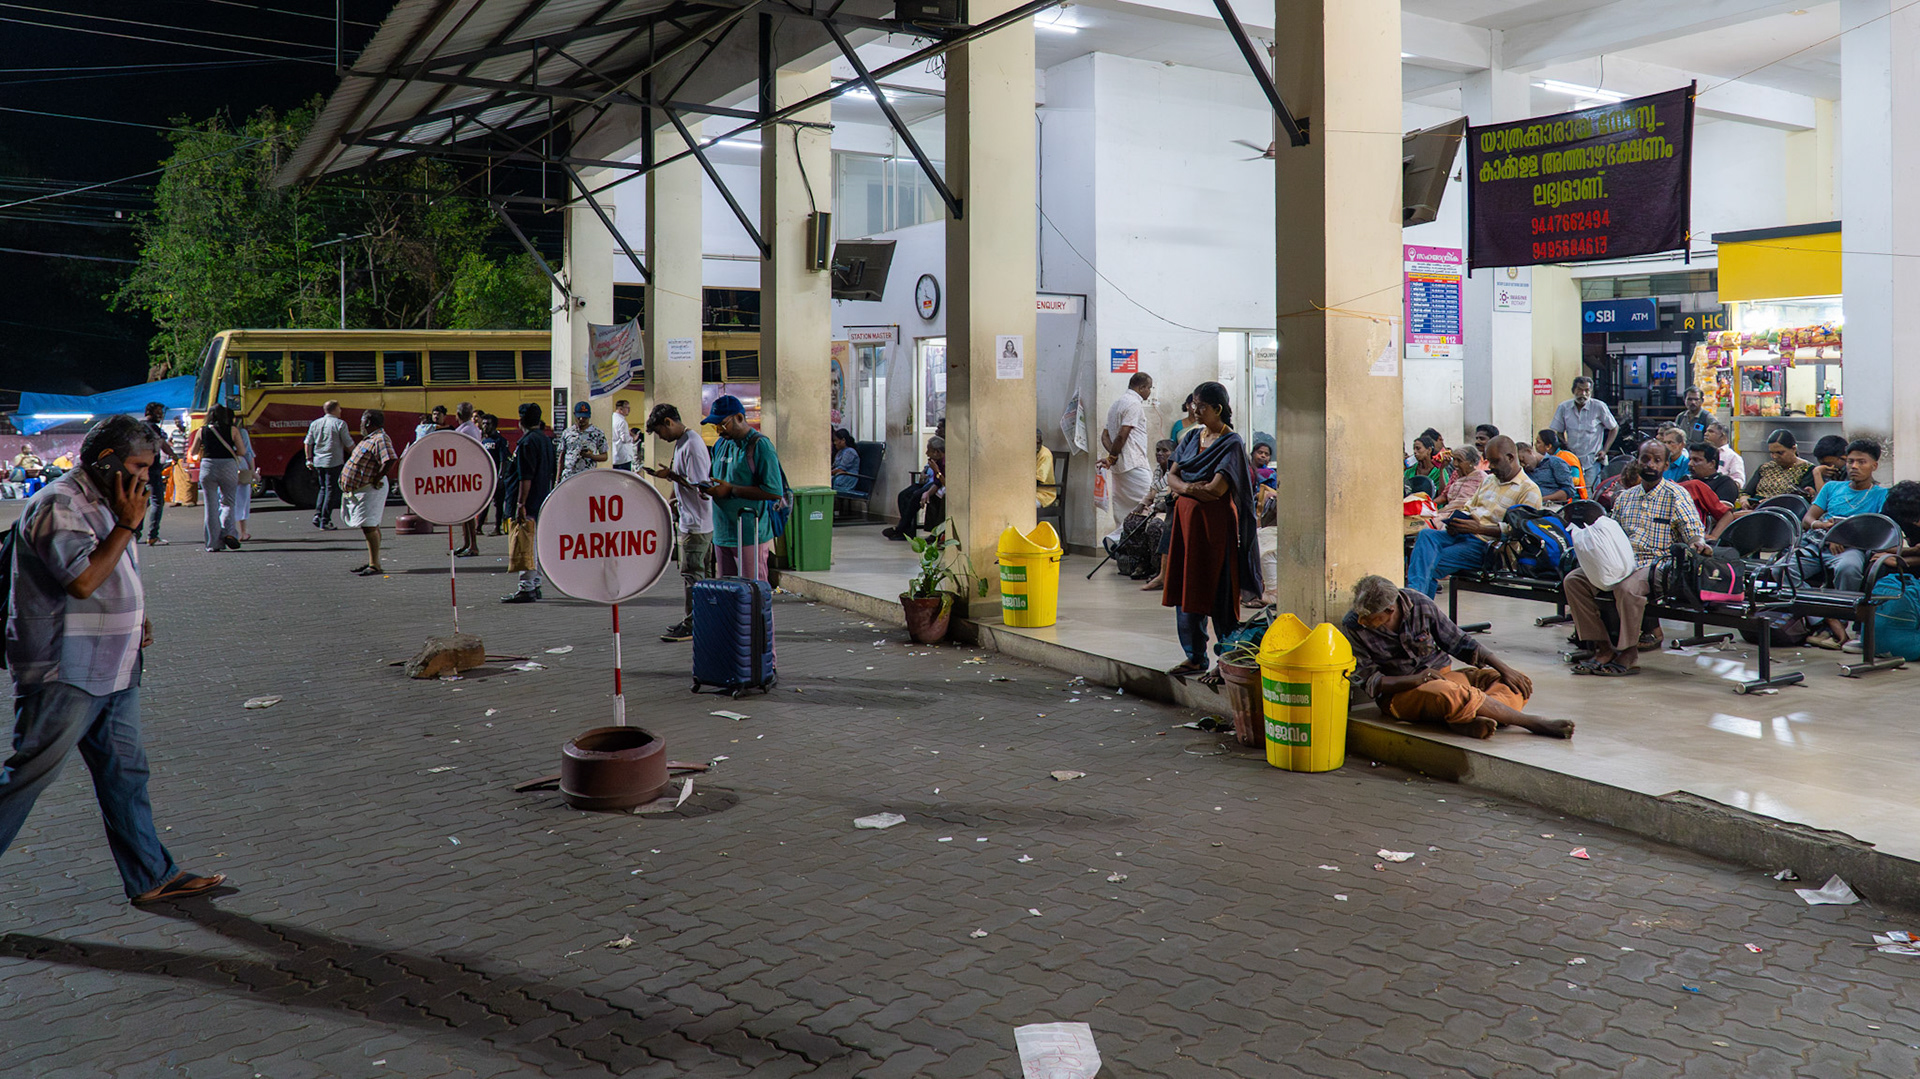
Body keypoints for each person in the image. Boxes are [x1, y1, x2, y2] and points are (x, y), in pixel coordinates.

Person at [0, 415, 227, 904]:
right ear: (106, 461)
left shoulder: (108, 499)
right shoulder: (60, 503)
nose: (147, 476)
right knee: (27, 777)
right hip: (67, 669)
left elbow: (113, 567)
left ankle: (151, 875)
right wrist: (128, 525)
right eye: (139, 466)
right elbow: (82, 580)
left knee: (125, 774)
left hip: (116, 664)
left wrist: (137, 614)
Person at [1344, 575, 1573, 740]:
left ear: (1389, 610)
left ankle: (1462, 718)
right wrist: (1417, 680)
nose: (1362, 621)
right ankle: (1530, 722)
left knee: (1514, 682)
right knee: (1447, 693)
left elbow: (1459, 641)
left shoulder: (1419, 603)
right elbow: (1371, 681)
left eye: (1368, 617)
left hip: (1446, 678)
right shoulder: (1354, 626)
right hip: (1404, 694)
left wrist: (1505, 669)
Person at [1564, 440, 1708, 676]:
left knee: (1627, 588)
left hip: (1657, 564)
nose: (1650, 464)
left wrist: (1698, 543)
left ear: (1666, 465)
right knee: (1574, 581)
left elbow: (1693, 531)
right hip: (1622, 561)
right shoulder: (1625, 497)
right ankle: (1601, 646)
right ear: (1637, 461)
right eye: (1645, 459)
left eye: (1657, 460)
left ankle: (1628, 651)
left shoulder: (1676, 495)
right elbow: (1611, 532)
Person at [1162, 381, 1261, 678]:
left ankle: (1226, 658)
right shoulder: (1193, 437)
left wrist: (1184, 488)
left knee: (1219, 590)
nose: (1195, 410)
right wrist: (1190, 488)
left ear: (1217, 409)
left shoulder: (1231, 443)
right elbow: (1172, 476)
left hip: (1214, 528)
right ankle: (1194, 656)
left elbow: (1216, 490)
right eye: (1194, 404)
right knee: (1187, 588)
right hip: (1186, 527)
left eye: (1201, 406)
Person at [1405, 436, 1543, 598]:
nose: (1491, 466)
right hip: (1465, 534)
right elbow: (1468, 507)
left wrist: (1480, 528)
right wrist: (1457, 522)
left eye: (1495, 461)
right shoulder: (1490, 480)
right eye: (1489, 461)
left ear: (1510, 458)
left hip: (1489, 546)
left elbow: (1522, 532)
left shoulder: (1528, 490)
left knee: (1429, 561)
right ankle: (1418, 602)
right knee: (1426, 535)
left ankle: (1415, 603)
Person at [1793, 438, 1889, 649]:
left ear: (1874, 466)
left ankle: (1843, 621)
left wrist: (1842, 536)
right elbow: (1808, 519)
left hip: (1852, 548)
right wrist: (1822, 526)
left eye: (1861, 462)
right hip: (1819, 543)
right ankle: (1826, 620)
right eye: (1850, 461)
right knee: (1781, 570)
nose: (1854, 466)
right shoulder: (1832, 488)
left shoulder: (1881, 495)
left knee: (1849, 568)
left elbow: (1878, 530)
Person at [644, 403, 714, 643]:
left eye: (659, 431)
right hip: (690, 519)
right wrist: (671, 498)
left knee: (693, 576)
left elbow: (701, 487)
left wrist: (672, 476)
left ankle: (694, 624)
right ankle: (698, 621)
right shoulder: (683, 442)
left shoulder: (692, 444)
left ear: (669, 422)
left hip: (697, 523)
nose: (660, 437)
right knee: (696, 575)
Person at [704, 394, 786, 581]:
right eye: (715, 426)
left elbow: (774, 491)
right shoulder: (720, 445)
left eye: (722, 424)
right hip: (722, 532)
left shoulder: (760, 446)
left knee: (752, 591)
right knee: (728, 592)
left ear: (739, 418)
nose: (718, 431)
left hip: (749, 533)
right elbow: (717, 478)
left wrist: (731, 490)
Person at [502, 403, 557, 603]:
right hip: (542, 498)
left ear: (522, 420)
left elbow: (525, 477)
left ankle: (526, 587)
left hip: (529, 501)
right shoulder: (545, 440)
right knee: (536, 544)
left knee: (525, 544)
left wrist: (520, 504)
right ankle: (536, 584)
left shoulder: (526, 443)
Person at [338, 409, 399, 577]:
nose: (360, 425)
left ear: (368, 422)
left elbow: (391, 458)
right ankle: (374, 561)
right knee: (370, 526)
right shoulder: (371, 439)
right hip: (362, 489)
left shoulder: (380, 438)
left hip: (369, 489)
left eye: (361, 422)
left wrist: (377, 477)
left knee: (369, 526)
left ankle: (375, 564)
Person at [1101, 373, 1154, 550]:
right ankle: (1115, 540)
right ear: (1141, 388)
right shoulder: (1133, 404)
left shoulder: (1116, 404)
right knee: (1150, 501)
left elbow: (1105, 436)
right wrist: (1113, 457)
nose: (1150, 391)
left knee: (1125, 509)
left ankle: (1125, 548)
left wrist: (1113, 457)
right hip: (1134, 464)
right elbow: (1122, 435)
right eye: (1149, 388)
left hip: (1120, 467)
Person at [187, 404, 243, 553]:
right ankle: (229, 533)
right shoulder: (233, 430)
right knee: (228, 502)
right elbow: (242, 451)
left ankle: (213, 543)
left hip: (208, 467)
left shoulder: (202, 430)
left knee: (210, 506)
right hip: (228, 466)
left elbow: (193, 451)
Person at [1548, 376, 1619, 471]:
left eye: (1587, 390)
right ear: (1573, 390)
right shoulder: (1564, 407)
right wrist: (1565, 447)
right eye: (1580, 390)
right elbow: (1559, 431)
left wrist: (1604, 450)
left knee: (1590, 481)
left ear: (1591, 392)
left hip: (1592, 460)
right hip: (1571, 460)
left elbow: (1614, 428)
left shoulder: (1599, 407)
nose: (1583, 394)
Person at [886, 437, 947, 540]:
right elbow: (937, 482)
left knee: (917, 496)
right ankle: (906, 530)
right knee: (903, 495)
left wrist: (936, 471)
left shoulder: (946, 462)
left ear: (936, 452)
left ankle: (902, 528)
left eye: (928, 450)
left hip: (943, 488)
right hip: (930, 484)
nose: (926, 453)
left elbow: (944, 483)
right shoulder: (936, 461)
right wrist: (927, 491)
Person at [304, 400, 352, 530]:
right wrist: (357, 454)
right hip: (333, 461)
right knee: (331, 489)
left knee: (323, 488)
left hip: (318, 461)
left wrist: (309, 459)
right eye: (339, 408)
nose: (341, 411)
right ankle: (325, 520)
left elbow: (308, 442)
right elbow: (348, 443)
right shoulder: (340, 424)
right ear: (334, 409)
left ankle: (318, 515)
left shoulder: (315, 423)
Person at [1740, 428, 1817, 506]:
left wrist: (1771, 502)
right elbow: (1746, 493)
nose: (1774, 456)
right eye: (1772, 453)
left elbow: (1800, 500)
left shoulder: (1807, 469)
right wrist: (1744, 500)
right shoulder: (1765, 468)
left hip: (1782, 509)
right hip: (1756, 507)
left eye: (1779, 453)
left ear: (1793, 449)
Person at [140, 402, 175, 546]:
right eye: (158, 412)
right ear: (150, 412)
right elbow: (163, 445)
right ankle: (153, 535)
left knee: (143, 502)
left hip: (139, 469)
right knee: (157, 501)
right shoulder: (153, 428)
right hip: (153, 469)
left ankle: (135, 533)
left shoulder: (138, 427)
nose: (160, 415)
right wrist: (174, 455)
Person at [558, 401, 608, 482]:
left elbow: (604, 456)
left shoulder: (597, 433)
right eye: (579, 417)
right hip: (569, 476)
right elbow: (562, 456)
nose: (581, 420)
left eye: (584, 418)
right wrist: (558, 479)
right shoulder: (567, 433)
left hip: (588, 477)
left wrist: (591, 456)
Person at [477, 413, 510, 536]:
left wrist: (500, 477)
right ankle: (478, 527)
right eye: (483, 423)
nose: (485, 426)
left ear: (494, 425)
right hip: (486, 478)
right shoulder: (483, 441)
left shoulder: (500, 440)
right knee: (484, 503)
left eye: (488, 424)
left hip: (496, 477)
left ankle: (497, 528)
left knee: (498, 504)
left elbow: (503, 460)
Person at [1516, 437, 1576, 505]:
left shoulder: (1554, 462)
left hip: (1553, 506)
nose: (1522, 465)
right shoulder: (1524, 471)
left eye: (1522, 460)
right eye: (1520, 463)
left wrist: (1542, 499)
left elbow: (1569, 490)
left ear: (1529, 452)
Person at [1686, 442, 1741, 506]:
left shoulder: (1725, 483)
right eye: (1690, 459)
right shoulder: (1685, 479)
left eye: (1696, 460)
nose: (1690, 464)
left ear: (1712, 464)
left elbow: (1722, 510)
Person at [1539, 428, 1588, 498]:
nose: (1535, 445)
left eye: (1538, 442)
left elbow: (1576, 480)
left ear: (1548, 446)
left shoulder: (1567, 457)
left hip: (1572, 499)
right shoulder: (1545, 459)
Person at [1435, 444, 1485, 512]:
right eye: (1454, 459)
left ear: (1471, 462)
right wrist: (1428, 503)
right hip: (1448, 511)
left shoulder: (1481, 478)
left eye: (1459, 460)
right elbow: (1444, 496)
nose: (1455, 464)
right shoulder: (1456, 474)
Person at [233, 419, 256, 543]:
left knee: (225, 500)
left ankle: (229, 530)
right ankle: (243, 532)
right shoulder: (240, 432)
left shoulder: (210, 430)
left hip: (221, 466)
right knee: (242, 499)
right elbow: (247, 452)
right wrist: (253, 471)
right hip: (240, 465)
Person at [1703, 421, 1745, 486]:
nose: (1706, 434)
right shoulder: (1702, 453)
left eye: (1711, 432)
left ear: (1723, 436)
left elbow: (1739, 480)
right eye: (1706, 431)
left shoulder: (1733, 457)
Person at [167, 417, 196, 507]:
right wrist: (174, 447)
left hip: (186, 458)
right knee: (177, 480)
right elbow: (169, 441)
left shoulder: (188, 432)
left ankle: (189, 499)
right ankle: (178, 499)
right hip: (177, 459)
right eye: (176, 422)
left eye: (179, 422)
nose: (178, 424)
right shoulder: (175, 432)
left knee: (188, 479)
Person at [830, 428, 862, 495]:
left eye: (836, 440)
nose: (835, 443)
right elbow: (834, 466)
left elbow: (841, 469)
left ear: (843, 440)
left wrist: (829, 473)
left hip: (846, 479)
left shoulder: (850, 452)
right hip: (839, 476)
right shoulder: (840, 452)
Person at [610, 399, 637, 472]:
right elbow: (624, 439)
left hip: (614, 455)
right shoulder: (622, 421)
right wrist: (633, 438)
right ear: (620, 409)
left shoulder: (611, 418)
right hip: (623, 456)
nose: (629, 410)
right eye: (627, 408)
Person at [1035, 430, 1057, 509]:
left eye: (1038, 443)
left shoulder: (1045, 455)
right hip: (1028, 492)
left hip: (1043, 494)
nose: (1036, 446)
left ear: (1042, 442)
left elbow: (1038, 481)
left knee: (1020, 505)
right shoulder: (1027, 452)